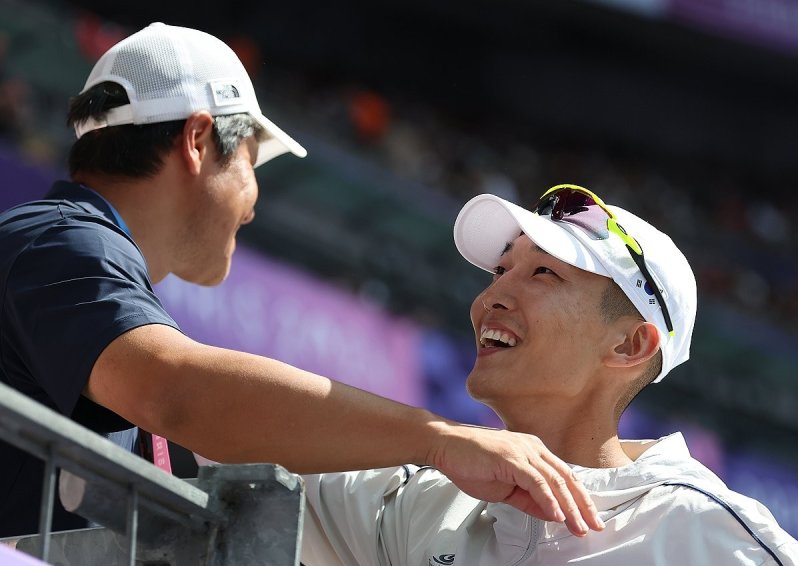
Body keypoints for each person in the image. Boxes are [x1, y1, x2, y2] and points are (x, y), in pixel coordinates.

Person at [0, 24, 604, 539]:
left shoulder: (72, 249)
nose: (254, 202)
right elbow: (178, 393)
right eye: (252, 163)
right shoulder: (64, 240)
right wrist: (440, 439)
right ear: (197, 140)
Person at [301, 184, 798, 566]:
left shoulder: (721, 545)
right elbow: (227, 419)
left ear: (630, 344)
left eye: (543, 272)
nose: (490, 297)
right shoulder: (426, 506)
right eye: (500, 271)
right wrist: (432, 437)